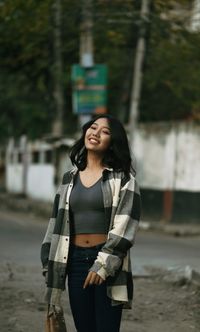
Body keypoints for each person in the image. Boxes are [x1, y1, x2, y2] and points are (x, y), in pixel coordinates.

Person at [40, 114, 141, 332]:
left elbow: (125, 229)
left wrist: (102, 264)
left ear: (112, 143)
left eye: (104, 131)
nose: (95, 133)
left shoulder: (123, 179)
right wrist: (49, 262)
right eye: (93, 127)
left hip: (107, 262)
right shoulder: (69, 178)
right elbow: (55, 224)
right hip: (75, 261)